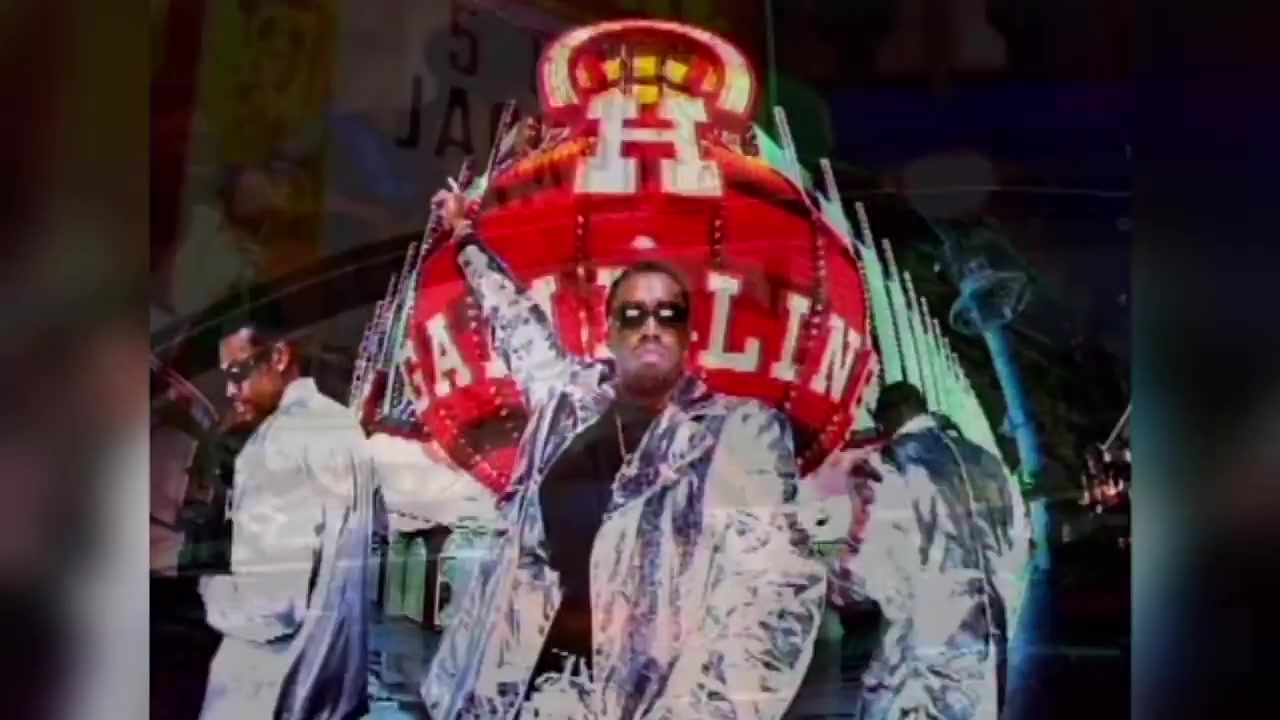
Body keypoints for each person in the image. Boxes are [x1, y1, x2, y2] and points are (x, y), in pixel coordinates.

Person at [420, 189, 828, 720]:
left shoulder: (738, 432)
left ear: (688, 335)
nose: (650, 328)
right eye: (632, 315)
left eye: (667, 315)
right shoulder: (567, 402)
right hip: (511, 696)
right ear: (609, 331)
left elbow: (774, 594)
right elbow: (515, 320)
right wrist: (464, 237)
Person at [198, 318, 375, 719]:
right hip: (331, 693)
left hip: (264, 693)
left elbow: (270, 606)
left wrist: (211, 588)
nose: (229, 391)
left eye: (237, 373)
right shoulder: (341, 425)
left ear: (278, 357)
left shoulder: (275, 444)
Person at [827, 382, 1029, 720]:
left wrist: (831, 569)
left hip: (922, 657)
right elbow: (1018, 544)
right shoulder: (988, 462)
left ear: (887, 417)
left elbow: (863, 567)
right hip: (989, 651)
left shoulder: (891, 463)